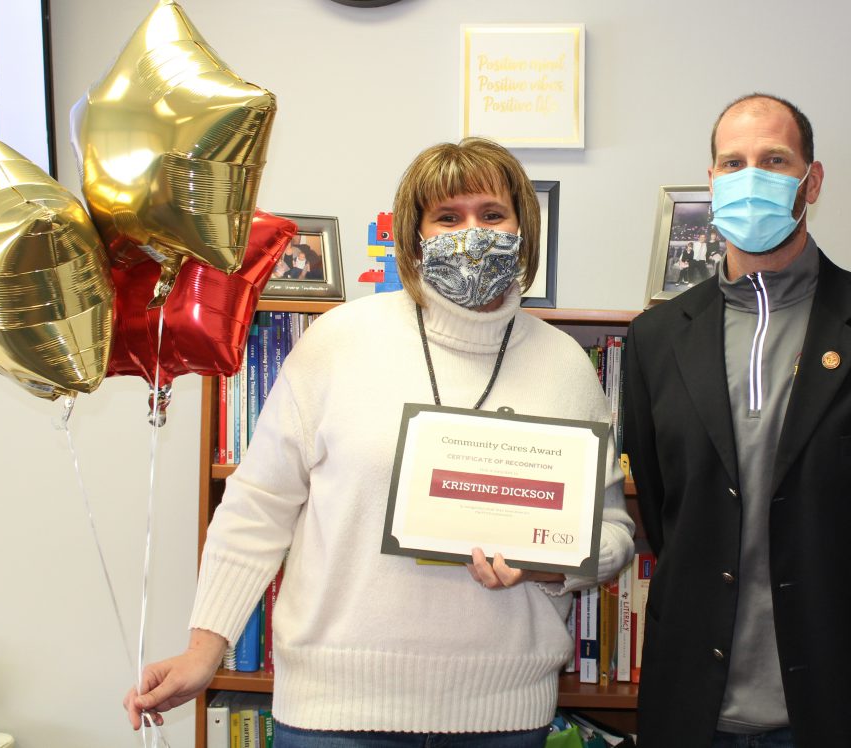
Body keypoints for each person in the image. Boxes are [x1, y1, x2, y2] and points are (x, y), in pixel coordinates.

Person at [124, 136, 635, 746]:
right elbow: (257, 504)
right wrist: (205, 648)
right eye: (447, 216)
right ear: (414, 237)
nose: (471, 231)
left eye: (492, 214)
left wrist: (548, 564)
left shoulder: (566, 366)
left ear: (524, 228)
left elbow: (612, 535)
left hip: (504, 714)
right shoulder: (339, 342)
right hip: (333, 716)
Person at [622, 93, 851, 747]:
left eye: (774, 159)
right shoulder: (656, 339)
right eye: (733, 162)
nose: (751, 176)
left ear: (812, 180)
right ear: (713, 179)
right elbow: (668, 514)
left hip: (842, 706)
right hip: (692, 710)